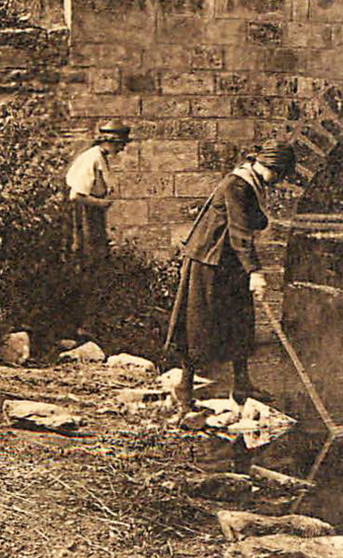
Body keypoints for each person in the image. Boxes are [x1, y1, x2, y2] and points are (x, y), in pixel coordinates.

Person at [164, 140, 297, 417]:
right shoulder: (237, 186)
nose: (279, 181)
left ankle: (242, 384)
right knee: (200, 325)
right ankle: (184, 387)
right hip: (208, 261)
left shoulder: (252, 183)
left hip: (228, 261)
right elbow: (239, 233)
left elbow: (254, 223)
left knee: (240, 321)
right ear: (270, 166)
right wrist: (255, 272)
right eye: (280, 174)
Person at [65, 120, 131, 257]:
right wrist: (101, 203)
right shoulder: (92, 158)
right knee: (88, 252)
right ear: (111, 141)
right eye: (121, 144)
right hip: (84, 213)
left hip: (94, 212)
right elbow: (76, 195)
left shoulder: (101, 157)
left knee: (98, 250)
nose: (122, 148)